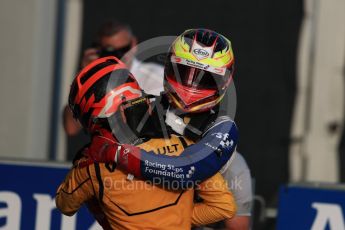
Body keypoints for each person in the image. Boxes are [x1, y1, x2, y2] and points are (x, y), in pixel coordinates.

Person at [85, 29, 253, 229]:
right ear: (168, 67)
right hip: (139, 213)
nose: (191, 86)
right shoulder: (141, 107)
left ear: (225, 81)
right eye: (184, 73)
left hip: (195, 216)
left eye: (205, 78)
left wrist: (119, 154)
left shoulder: (223, 127)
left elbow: (188, 170)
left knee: (236, 180)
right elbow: (91, 165)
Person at [56, 56, 237, 229]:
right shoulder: (185, 144)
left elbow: (65, 205)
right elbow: (224, 206)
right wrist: (173, 218)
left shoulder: (90, 167)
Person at [63, 19, 164, 160]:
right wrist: (86, 74)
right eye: (108, 51)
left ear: (134, 44)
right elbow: (71, 128)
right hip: (106, 157)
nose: (117, 57)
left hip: (148, 156)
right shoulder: (94, 82)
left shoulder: (156, 78)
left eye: (121, 51)